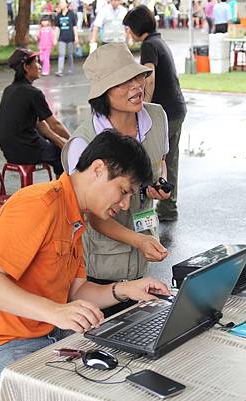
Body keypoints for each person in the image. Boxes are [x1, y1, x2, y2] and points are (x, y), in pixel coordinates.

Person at [0, 130, 171, 401]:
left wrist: (126, 290)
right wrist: (55, 311)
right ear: (98, 169)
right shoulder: (38, 203)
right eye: (123, 191)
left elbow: (75, 292)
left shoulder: (74, 217)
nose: (126, 204)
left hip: (44, 335)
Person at [61, 44, 170, 316]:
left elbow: (160, 163)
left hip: (141, 255)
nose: (136, 87)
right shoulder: (83, 144)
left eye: (137, 77)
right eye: (122, 83)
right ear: (102, 94)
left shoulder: (156, 117)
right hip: (102, 268)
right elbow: (91, 214)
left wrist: (159, 185)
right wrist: (137, 241)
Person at [123, 5, 186, 221]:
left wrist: (142, 108)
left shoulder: (149, 45)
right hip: (177, 108)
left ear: (137, 27)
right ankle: (168, 209)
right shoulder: (159, 41)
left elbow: (149, 77)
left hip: (167, 112)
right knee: (169, 160)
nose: (128, 33)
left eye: (129, 28)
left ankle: (149, 212)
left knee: (155, 160)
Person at [0, 48, 71, 177]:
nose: (40, 66)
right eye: (36, 62)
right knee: (62, 156)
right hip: (25, 149)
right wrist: (73, 142)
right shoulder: (33, 93)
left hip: (9, 150)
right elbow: (54, 125)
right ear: (26, 67)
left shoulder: (9, 90)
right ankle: (61, 191)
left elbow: (41, 125)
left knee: (57, 145)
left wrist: (63, 142)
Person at [55, 0, 79, 77]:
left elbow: (74, 26)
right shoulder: (58, 15)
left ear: (66, 4)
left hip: (70, 37)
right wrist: (55, 38)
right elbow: (57, 28)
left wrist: (76, 37)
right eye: (60, 3)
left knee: (70, 54)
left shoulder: (71, 14)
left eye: (62, 2)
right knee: (61, 54)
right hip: (62, 37)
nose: (61, 4)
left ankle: (70, 69)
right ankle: (60, 70)